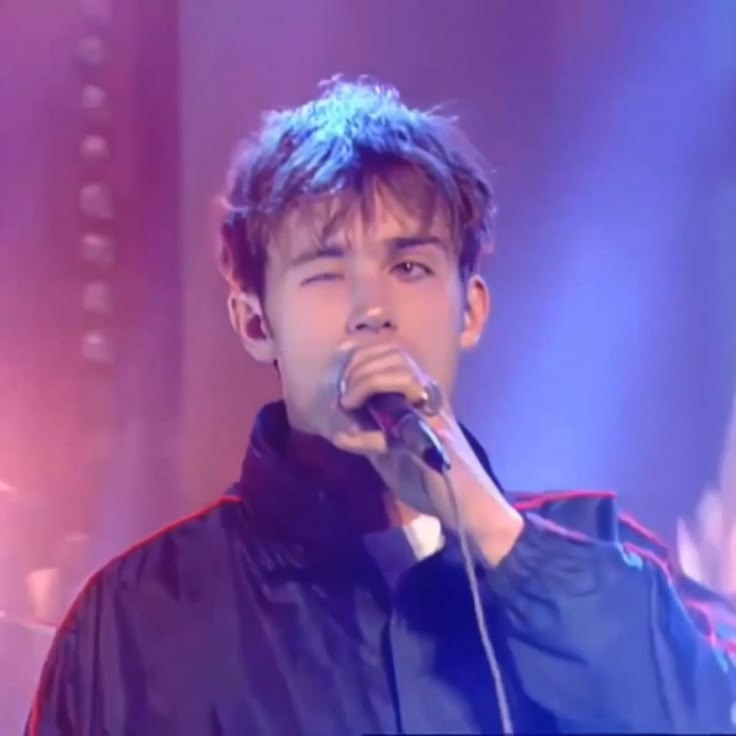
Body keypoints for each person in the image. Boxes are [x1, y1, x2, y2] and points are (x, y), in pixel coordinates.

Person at [26, 79, 736, 735]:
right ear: (255, 322)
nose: (372, 310)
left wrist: (492, 530)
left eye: (409, 267)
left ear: (470, 311)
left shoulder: (602, 555)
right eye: (326, 274)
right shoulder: (137, 620)